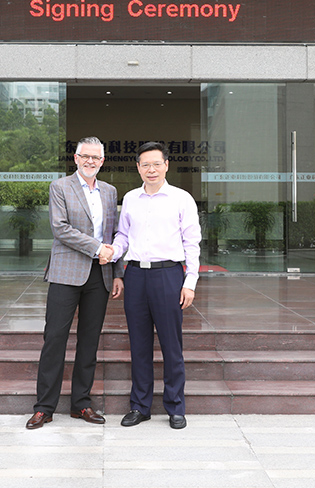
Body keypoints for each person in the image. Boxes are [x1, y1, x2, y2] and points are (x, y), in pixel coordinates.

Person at [26, 137, 124, 430]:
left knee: (89, 341)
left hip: (100, 275)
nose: (90, 161)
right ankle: (44, 407)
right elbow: (60, 229)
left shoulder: (110, 192)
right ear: (76, 158)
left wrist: (117, 273)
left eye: (96, 157)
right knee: (55, 338)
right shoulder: (60, 187)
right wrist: (97, 248)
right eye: (85, 156)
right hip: (66, 273)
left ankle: (81, 404)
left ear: (102, 161)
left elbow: (113, 234)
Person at [104, 141, 201, 430]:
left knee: (172, 345)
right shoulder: (131, 199)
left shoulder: (181, 198)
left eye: (156, 164)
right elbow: (123, 235)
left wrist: (190, 282)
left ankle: (175, 406)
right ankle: (140, 406)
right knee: (139, 344)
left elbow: (192, 242)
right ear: (138, 167)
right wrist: (113, 252)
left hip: (168, 275)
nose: (151, 169)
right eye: (145, 164)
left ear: (166, 165)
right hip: (136, 276)